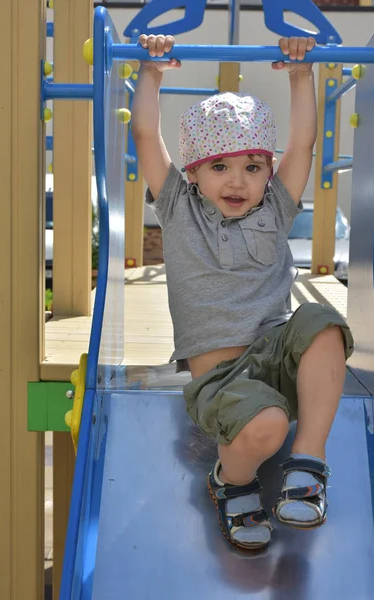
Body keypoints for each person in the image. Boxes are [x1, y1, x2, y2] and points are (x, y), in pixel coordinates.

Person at [131, 33, 354, 551]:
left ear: (268, 172)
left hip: (276, 355)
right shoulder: (178, 210)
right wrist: (152, 71)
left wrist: (301, 74)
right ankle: (231, 482)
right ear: (193, 173)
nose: (238, 181)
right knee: (266, 424)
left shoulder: (275, 209)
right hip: (221, 381)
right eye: (220, 167)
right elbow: (144, 134)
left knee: (324, 322)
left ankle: (309, 462)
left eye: (253, 167)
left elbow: (303, 144)